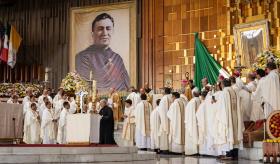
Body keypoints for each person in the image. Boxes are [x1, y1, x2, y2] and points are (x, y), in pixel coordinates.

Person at [75, 13, 129, 91]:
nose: (105, 33)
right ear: (93, 34)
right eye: (100, 29)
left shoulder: (118, 59)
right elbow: (85, 85)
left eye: (108, 28)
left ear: (112, 31)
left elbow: (125, 84)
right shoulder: (83, 57)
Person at [215, 78, 243, 160]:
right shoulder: (234, 91)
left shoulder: (224, 92)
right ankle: (235, 154)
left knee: (229, 133)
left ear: (222, 84)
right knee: (235, 135)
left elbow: (221, 107)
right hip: (235, 117)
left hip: (227, 117)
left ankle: (229, 154)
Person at [184, 89, 201, 155]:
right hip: (198, 121)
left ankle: (193, 150)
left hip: (192, 122)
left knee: (193, 134)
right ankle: (198, 149)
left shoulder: (192, 101)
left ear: (193, 94)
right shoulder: (200, 100)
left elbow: (188, 113)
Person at [158, 87, 172, 153]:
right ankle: (170, 147)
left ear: (165, 91)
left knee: (164, 131)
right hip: (170, 119)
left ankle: (164, 148)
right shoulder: (171, 97)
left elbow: (162, 110)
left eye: (162, 90)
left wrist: (162, 119)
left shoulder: (164, 98)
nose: (161, 91)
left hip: (165, 118)